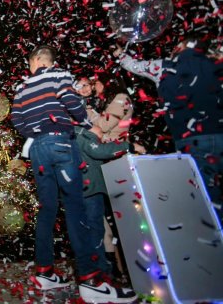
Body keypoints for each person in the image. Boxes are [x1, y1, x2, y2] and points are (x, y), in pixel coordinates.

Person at [11, 45, 136, 303]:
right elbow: (71, 103)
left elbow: (17, 120)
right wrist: (84, 122)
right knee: (76, 208)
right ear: (50, 61)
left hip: (38, 150)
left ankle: (44, 271)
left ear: (35, 60)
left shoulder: (22, 87)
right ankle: (91, 280)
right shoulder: (59, 76)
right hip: (60, 145)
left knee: (47, 209)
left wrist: (36, 132)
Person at [114, 37, 223, 219]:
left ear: (180, 47)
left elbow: (132, 65)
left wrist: (119, 54)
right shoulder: (215, 65)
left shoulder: (164, 66)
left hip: (192, 141)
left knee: (207, 199)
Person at [74, 126, 145, 278]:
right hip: (90, 190)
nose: (102, 135)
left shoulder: (71, 135)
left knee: (94, 230)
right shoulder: (81, 134)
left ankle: (100, 270)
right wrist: (130, 146)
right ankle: (100, 272)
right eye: (101, 133)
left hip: (81, 191)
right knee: (96, 230)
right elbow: (99, 151)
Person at [92, 74, 134, 143]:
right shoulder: (106, 99)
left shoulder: (121, 98)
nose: (93, 86)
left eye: (95, 83)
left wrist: (85, 112)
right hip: (107, 144)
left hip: (115, 145)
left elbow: (104, 125)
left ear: (103, 84)